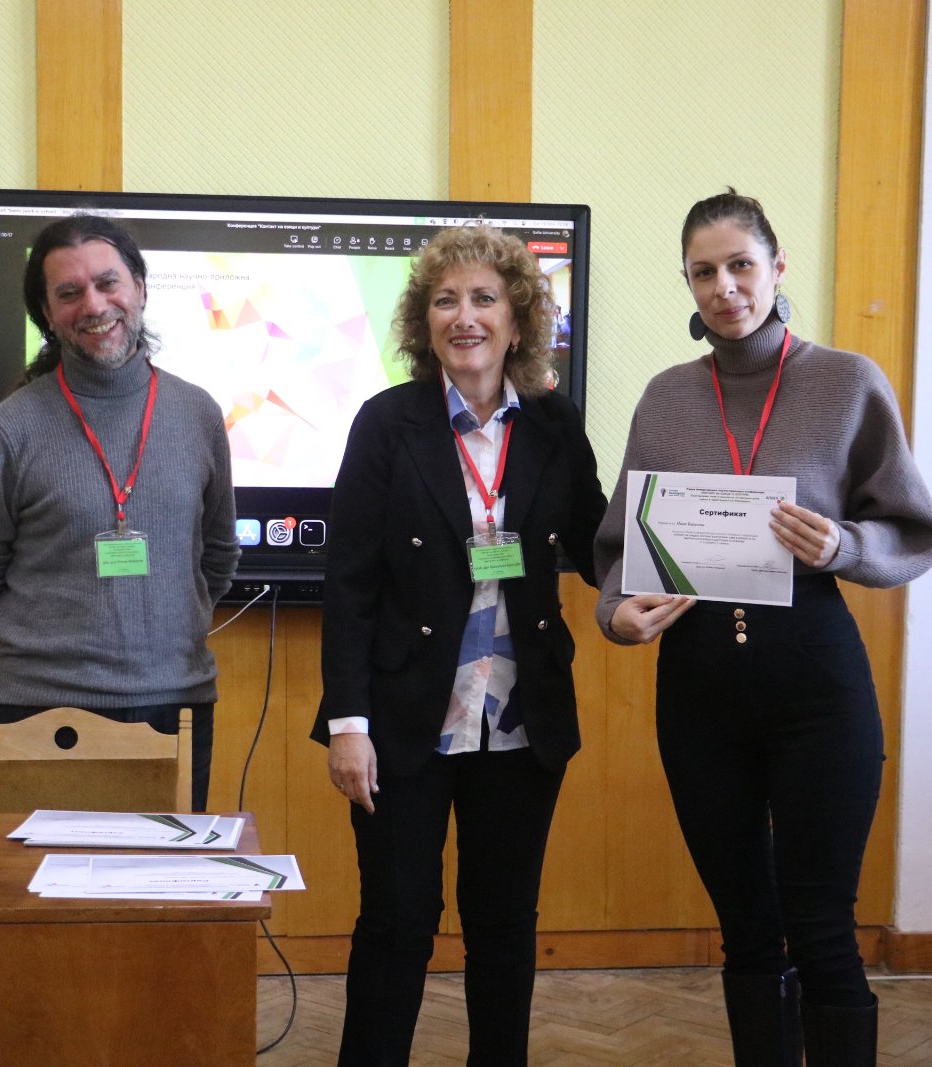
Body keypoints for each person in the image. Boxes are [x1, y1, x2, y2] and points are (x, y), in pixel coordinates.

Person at [594, 190, 932, 1065]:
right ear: (687, 283)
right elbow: (620, 546)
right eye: (703, 272)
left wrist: (842, 544)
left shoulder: (847, 381)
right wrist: (617, 613)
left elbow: (913, 529)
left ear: (778, 267)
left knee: (821, 925)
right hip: (699, 692)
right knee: (747, 927)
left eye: (741, 265)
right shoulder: (667, 397)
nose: (724, 287)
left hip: (816, 687)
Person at [314, 225, 607, 1066]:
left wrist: (682, 551)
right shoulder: (387, 423)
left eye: (484, 298)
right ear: (424, 321)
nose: (464, 316)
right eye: (446, 300)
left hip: (520, 719)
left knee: (505, 924)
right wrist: (348, 725)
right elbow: (350, 584)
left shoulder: (553, 423)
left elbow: (597, 546)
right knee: (397, 922)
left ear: (518, 320)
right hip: (404, 720)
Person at [0, 214, 239, 813]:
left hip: (175, 708)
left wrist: (158, 639)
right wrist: (44, 665)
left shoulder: (197, 414)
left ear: (140, 289)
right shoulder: (10, 428)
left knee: (160, 875)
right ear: (47, 314)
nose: (94, 305)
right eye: (69, 292)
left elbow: (217, 556)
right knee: (37, 877)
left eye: (108, 283)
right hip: (43, 713)